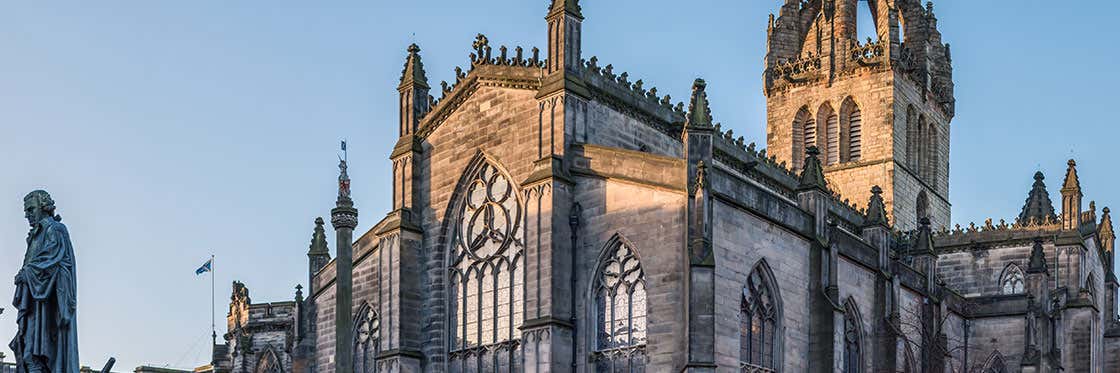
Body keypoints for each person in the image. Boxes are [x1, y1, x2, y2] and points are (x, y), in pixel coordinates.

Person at [9, 190, 79, 373]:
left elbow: (54, 260)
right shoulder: (36, 234)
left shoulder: (54, 229)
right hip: (34, 300)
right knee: (28, 352)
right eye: (26, 211)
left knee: (37, 354)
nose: (27, 215)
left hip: (47, 303)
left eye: (31, 209)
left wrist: (27, 273)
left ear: (44, 207)